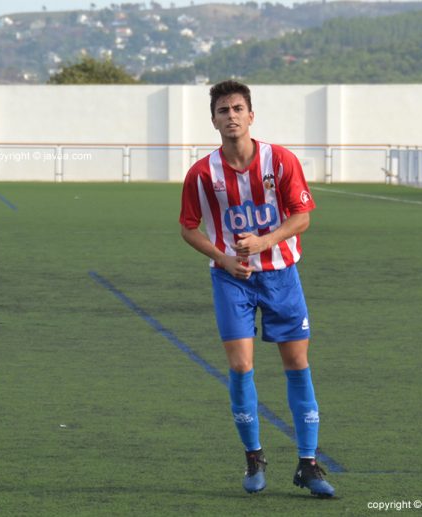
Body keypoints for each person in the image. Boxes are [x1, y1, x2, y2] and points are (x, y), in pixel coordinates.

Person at [179, 80, 335, 498]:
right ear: (212, 120)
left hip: (281, 275)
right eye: (222, 110)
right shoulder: (200, 174)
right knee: (241, 366)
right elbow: (187, 228)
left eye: (237, 108)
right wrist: (225, 257)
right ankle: (254, 456)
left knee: (297, 364)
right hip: (232, 279)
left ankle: (308, 463)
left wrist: (265, 242)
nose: (230, 116)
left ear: (251, 115)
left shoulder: (279, 160)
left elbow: (302, 216)